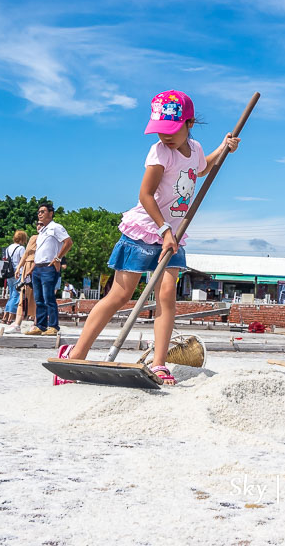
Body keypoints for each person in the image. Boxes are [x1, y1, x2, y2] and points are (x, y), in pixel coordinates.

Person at [64, 89, 240, 385]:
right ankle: (76, 354)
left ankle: (159, 364)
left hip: (174, 234)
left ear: (189, 124)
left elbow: (201, 168)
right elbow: (145, 195)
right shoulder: (159, 152)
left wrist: (224, 148)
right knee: (120, 296)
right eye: (160, 130)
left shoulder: (194, 149)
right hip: (147, 229)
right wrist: (164, 229)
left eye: (171, 130)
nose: (165, 136)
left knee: (167, 295)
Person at [27, 203, 72, 336]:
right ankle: (40, 325)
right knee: (38, 299)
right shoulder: (42, 231)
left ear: (50, 213)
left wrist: (58, 258)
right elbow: (41, 251)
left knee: (49, 298)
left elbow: (68, 242)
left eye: (42, 211)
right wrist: (32, 268)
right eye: (38, 212)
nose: (39, 214)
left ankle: (53, 326)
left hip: (48, 267)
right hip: (38, 267)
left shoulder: (56, 227)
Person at [0, 230, 28, 325]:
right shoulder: (21, 248)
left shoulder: (8, 248)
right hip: (18, 273)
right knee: (16, 296)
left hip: (9, 273)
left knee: (11, 294)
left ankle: (4, 316)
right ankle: (10, 317)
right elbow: (23, 261)